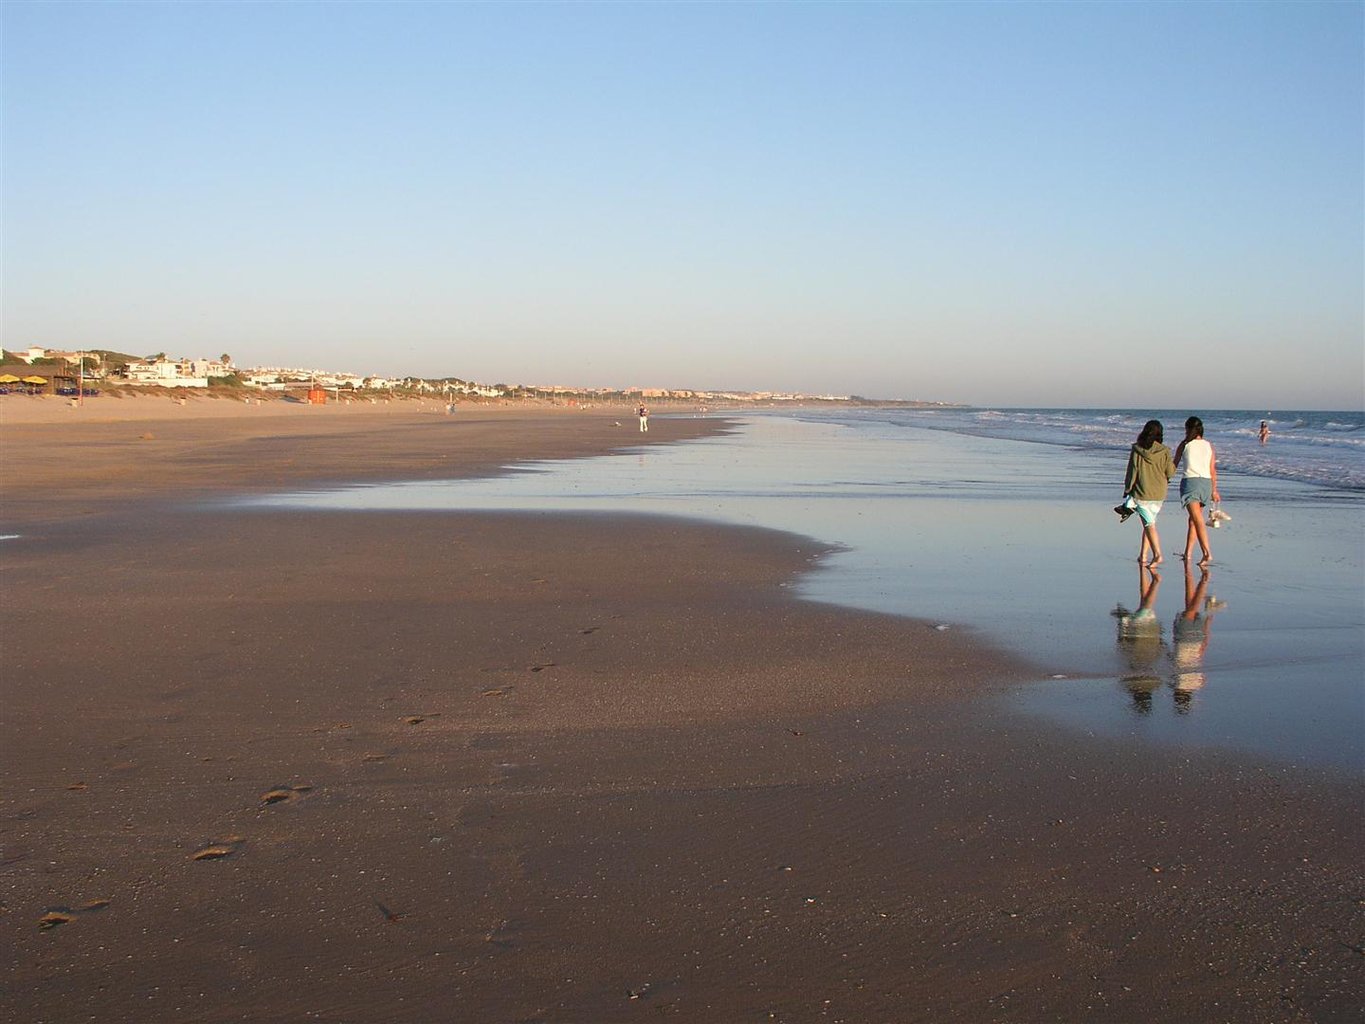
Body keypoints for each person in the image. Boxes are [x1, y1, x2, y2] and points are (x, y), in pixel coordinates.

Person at [1114, 419, 1175, 565]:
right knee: (1149, 523)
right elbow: (1170, 472)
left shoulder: (1137, 449)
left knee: (1149, 525)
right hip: (1159, 493)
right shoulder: (1165, 451)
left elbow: (1132, 472)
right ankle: (1144, 555)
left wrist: (1127, 489)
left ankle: (1157, 555)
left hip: (1142, 493)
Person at [1173, 415, 1220, 566]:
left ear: (1188, 429)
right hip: (1206, 484)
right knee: (1194, 520)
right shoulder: (1209, 445)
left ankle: (1207, 553)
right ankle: (1188, 552)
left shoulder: (1185, 444)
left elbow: (1174, 464)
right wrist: (1214, 490)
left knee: (1197, 520)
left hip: (1191, 483)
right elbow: (1212, 470)